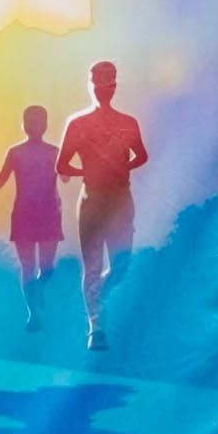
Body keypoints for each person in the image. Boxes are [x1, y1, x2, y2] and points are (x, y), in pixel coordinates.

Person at [58, 61, 151, 347]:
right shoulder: (78, 124)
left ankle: (101, 299)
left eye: (108, 84)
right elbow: (61, 164)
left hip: (120, 198)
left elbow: (141, 155)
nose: (102, 90)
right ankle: (95, 327)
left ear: (114, 87)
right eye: (98, 84)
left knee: (122, 262)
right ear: (91, 87)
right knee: (92, 266)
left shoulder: (127, 123)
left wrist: (123, 166)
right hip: (92, 199)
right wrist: (88, 170)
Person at [0, 106, 63, 326]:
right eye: (31, 122)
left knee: (47, 267)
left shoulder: (55, 152)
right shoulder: (15, 152)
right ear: (23, 125)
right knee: (28, 267)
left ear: (46, 125)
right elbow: (0, 181)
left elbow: (66, 176)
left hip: (49, 213)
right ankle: (32, 313)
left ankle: (38, 289)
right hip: (25, 214)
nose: (34, 126)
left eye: (38, 122)